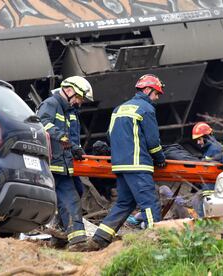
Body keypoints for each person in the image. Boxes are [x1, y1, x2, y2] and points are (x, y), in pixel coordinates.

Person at [82, 74, 167, 251]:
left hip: (120, 165)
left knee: (124, 204)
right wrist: (160, 159)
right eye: (156, 93)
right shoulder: (146, 109)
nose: (157, 98)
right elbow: (153, 141)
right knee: (149, 203)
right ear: (147, 90)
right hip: (137, 165)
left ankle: (99, 239)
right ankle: (157, 243)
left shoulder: (118, 109)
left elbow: (109, 135)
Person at [37, 76, 93, 250]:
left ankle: (59, 234)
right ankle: (77, 241)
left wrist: (76, 149)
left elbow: (71, 137)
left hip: (65, 163)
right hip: (54, 162)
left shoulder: (70, 111)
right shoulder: (51, 104)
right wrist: (64, 140)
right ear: (68, 91)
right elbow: (42, 123)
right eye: (78, 97)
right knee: (70, 197)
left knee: (78, 189)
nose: (79, 102)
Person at [191, 122, 223, 217]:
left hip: (212, 189)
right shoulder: (211, 149)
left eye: (199, 139)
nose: (198, 142)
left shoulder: (215, 149)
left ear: (206, 137)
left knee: (199, 203)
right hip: (209, 187)